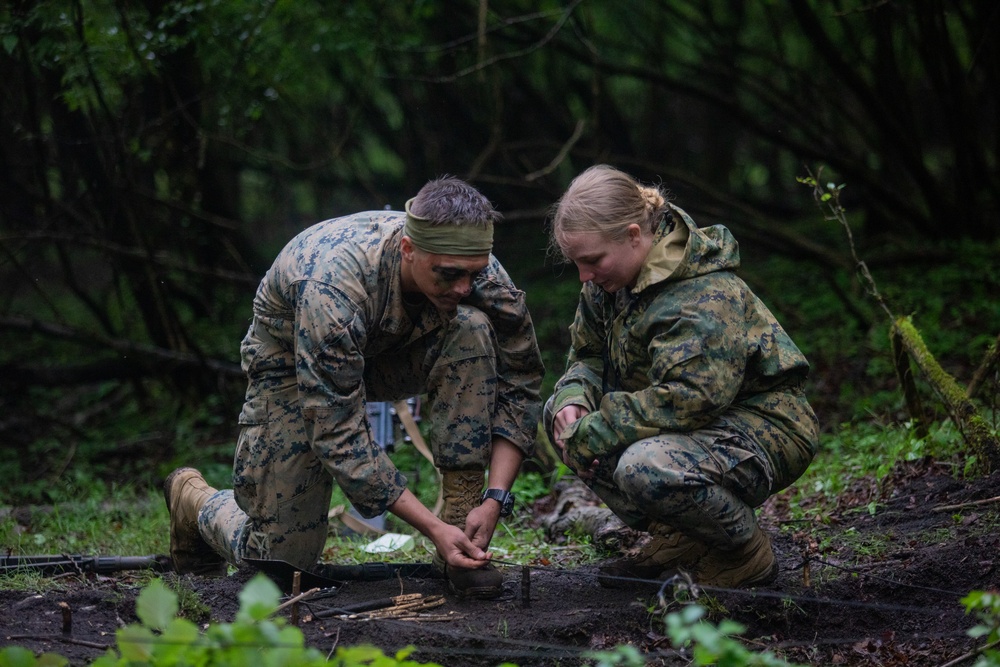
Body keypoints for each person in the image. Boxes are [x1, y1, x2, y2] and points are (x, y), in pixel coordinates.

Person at [164, 176, 544, 599]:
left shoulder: (478, 270)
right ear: (408, 250)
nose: (463, 287)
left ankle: (462, 531)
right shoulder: (332, 285)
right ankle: (193, 500)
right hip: (293, 367)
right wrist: (428, 526)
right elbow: (337, 430)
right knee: (280, 564)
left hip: (388, 352)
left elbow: (521, 380)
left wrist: (494, 499)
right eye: (449, 275)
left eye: (472, 275)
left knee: (470, 329)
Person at [545, 165, 819, 588]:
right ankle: (682, 537)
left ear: (634, 235)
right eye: (576, 263)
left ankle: (743, 553)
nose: (584, 276)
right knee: (560, 417)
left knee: (644, 466)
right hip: (685, 425)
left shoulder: (701, 296)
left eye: (592, 261)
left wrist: (598, 428)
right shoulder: (608, 286)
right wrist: (573, 399)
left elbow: (691, 398)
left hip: (766, 425)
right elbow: (588, 355)